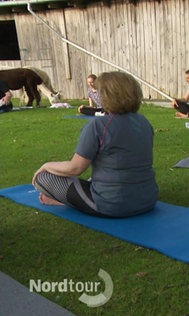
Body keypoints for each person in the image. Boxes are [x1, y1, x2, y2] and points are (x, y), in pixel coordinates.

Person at [32, 71, 159, 218]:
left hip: (113, 204)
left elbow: (75, 168)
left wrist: (46, 166)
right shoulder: (143, 122)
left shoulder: (99, 125)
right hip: (148, 199)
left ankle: (64, 201)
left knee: (43, 178)